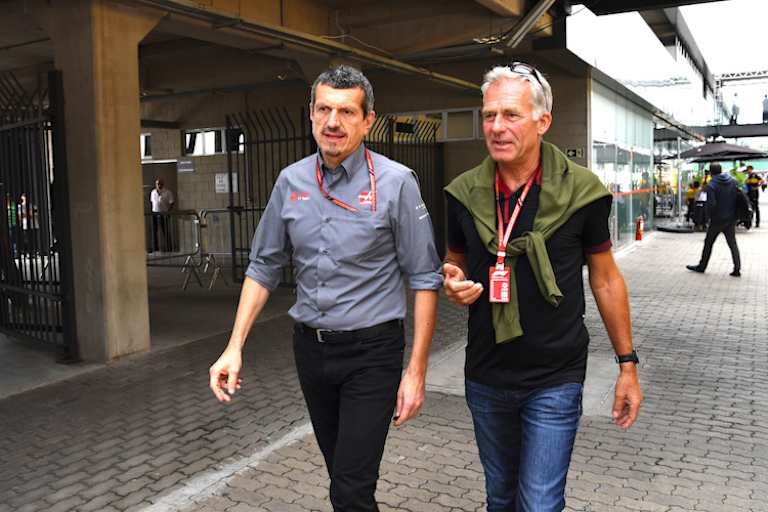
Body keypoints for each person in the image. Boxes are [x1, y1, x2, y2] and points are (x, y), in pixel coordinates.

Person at [208, 65, 441, 512]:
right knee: (342, 479)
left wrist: (416, 371)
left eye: (347, 111)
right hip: (311, 353)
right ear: (311, 114)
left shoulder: (396, 183)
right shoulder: (291, 181)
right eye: (324, 109)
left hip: (372, 354)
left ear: (368, 119)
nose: (334, 122)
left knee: (350, 489)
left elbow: (425, 278)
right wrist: (234, 346)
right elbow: (263, 266)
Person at [442, 62, 642, 511]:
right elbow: (454, 260)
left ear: (543, 121)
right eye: (489, 115)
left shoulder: (581, 194)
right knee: (500, 496)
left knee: (540, 502)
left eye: (510, 114)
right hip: (487, 374)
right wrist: (451, 279)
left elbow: (606, 279)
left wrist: (627, 365)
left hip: (555, 377)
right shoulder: (462, 193)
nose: (496, 127)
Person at [686, 163, 742, 276]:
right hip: (731, 218)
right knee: (732, 243)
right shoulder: (732, 181)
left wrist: (708, 217)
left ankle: (702, 266)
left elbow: (711, 204)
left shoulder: (712, 185)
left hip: (717, 219)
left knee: (708, 243)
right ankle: (737, 268)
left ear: (711, 172)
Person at [149, 177, 174, 252]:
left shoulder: (168, 192)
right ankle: (155, 248)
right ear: (155, 184)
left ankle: (169, 248)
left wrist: (168, 211)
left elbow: (172, 203)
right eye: (157, 183)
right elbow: (152, 202)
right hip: (155, 213)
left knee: (165, 231)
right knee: (154, 231)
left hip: (164, 213)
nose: (158, 185)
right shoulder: (153, 192)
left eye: (160, 183)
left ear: (163, 184)